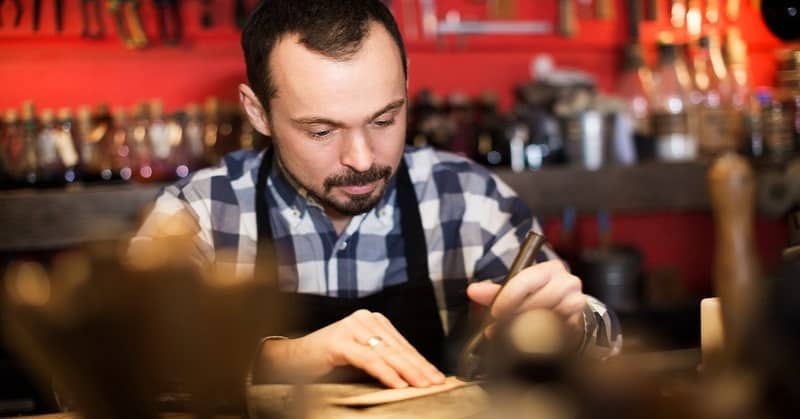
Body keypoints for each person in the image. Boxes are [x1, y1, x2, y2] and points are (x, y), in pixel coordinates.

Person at [133, 0, 621, 389]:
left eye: (385, 119)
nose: (364, 159)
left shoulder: (468, 199)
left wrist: (572, 328)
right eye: (321, 131)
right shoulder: (198, 215)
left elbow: (605, 346)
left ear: (406, 89)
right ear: (257, 111)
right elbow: (118, 367)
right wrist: (288, 357)